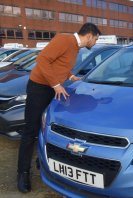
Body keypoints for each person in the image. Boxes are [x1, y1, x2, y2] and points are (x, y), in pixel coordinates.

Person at [17, 23, 101, 193]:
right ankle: (22, 173)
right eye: (96, 39)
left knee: (46, 126)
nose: (96, 43)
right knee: (30, 130)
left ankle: (42, 159)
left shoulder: (76, 48)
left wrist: (70, 76)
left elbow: (60, 63)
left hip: (53, 88)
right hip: (40, 88)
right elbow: (41, 60)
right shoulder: (64, 39)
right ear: (90, 35)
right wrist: (56, 85)